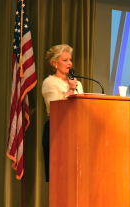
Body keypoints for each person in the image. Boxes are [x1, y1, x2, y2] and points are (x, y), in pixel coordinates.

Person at [42, 44, 83, 182]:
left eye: (70, 59)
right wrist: (70, 91)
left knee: (75, 177)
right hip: (57, 130)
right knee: (59, 177)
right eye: (65, 60)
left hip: (75, 131)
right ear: (54, 63)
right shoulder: (50, 82)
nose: (69, 63)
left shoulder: (77, 83)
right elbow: (55, 108)